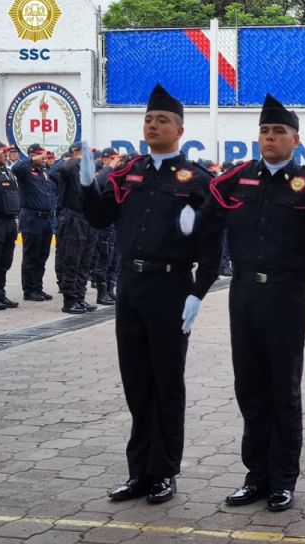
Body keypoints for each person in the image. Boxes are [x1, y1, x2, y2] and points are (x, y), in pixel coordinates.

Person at [80, 83, 221, 504]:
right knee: (137, 381)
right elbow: (102, 220)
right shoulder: (128, 173)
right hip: (132, 286)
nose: (153, 125)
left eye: (162, 120)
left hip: (170, 287)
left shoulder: (197, 180)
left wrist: (198, 292)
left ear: (179, 128)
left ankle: (164, 471)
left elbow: (213, 245)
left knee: (166, 380)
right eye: (148, 119)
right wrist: (89, 186)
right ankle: (139, 470)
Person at [202, 94, 305, 512]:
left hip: (286, 293)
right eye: (264, 131)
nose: (270, 137)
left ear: (296, 139)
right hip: (243, 294)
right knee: (249, 387)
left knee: (283, 389)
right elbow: (205, 217)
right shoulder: (236, 180)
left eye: (279, 131)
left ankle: (282, 478)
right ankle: (255, 475)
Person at [51, 143, 99, 314]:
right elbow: (62, 168)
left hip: (87, 220)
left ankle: (80, 297)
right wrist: (78, 157)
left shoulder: (86, 171)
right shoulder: (68, 169)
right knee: (72, 261)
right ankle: (69, 300)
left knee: (85, 262)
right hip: (72, 219)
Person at [11, 143, 56, 301]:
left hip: (45, 219)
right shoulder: (25, 171)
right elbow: (15, 168)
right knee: (31, 256)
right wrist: (31, 159)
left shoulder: (43, 172)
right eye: (41, 155)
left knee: (42, 256)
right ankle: (29, 290)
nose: (44, 158)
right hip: (31, 219)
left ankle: (38, 287)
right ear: (32, 155)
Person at [90, 147, 122, 305]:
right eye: (115, 159)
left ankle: (110, 289)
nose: (118, 162)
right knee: (104, 257)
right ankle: (102, 293)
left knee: (114, 258)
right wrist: (109, 167)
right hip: (104, 225)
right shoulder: (102, 174)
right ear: (106, 159)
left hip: (115, 223)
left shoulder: (114, 175)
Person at [0, 141, 20, 310]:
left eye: (7, 152)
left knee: (5, 262)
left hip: (10, 223)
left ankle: (0, 292)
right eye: (2, 152)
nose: (6, 154)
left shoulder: (8, 172)